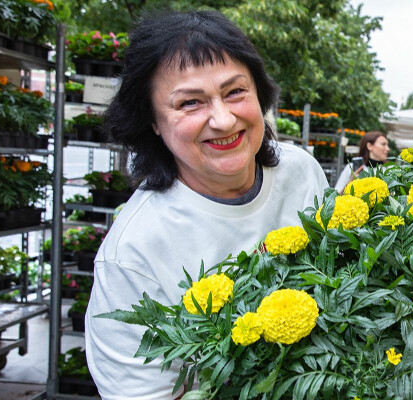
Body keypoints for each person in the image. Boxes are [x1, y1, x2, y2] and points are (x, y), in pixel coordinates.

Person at [84, 11, 328, 399]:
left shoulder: (301, 172)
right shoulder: (132, 253)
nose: (223, 118)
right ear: (153, 122)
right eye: (190, 103)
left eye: (235, 92)